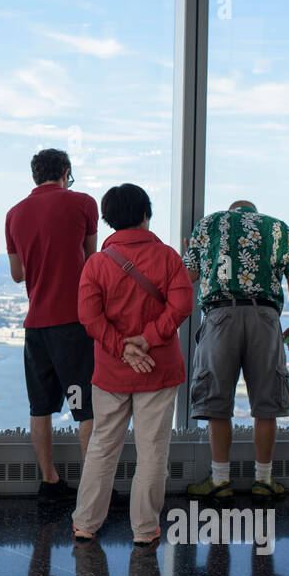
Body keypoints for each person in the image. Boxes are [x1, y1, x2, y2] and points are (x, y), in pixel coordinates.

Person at [71, 184, 193, 545]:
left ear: (108, 220)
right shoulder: (169, 258)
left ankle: (86, 524)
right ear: (146, 213)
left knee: (102, 446)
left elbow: (89, 317)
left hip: (111, 370)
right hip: (159, 367)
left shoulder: (97, 263)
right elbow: (182, 306)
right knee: (153, 450)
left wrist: (121, 348)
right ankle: (144, 529)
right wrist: (148, 339)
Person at [182, 199, 289, 500]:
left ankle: (220, 481)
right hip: (264, 318)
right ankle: (263, 481)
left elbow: (187, 276)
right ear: (253, 212)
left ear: (232, 210)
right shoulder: (277, 228)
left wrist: (189, 255)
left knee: (216, 402)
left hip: (219, 316)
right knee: (266, 404)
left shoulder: (209, 224)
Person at [5, 148, 99, 500]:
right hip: (73, 324)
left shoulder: (14, 214)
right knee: (84, 406)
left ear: (34, 175)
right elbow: (92, 259)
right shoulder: (83, 203)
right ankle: (93, 489)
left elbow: (17, 275)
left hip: (36, 327)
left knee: (40, 406)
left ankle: (49, 481)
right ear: (66, 172)